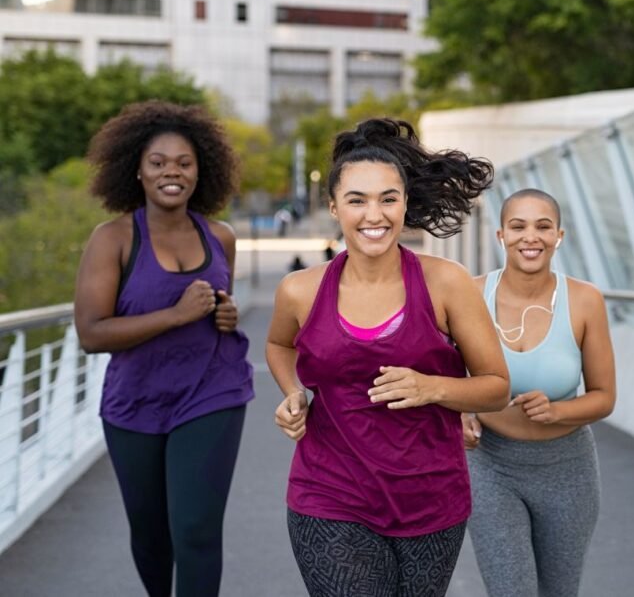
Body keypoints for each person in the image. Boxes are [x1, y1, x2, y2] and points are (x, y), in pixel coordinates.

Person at [266, 118, 510, 597]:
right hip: (329, 493)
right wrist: (293, 393)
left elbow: (496, 386)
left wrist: (432, 387)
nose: (373, 215)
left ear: (404, 204)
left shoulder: (447, 282)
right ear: (334, 206)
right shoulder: (300, 290)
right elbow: (278, 345)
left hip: (430, 498)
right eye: (357, 200)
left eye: (388, 199)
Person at [73, 101, 254, 596]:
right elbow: (90, 333)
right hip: (136, 402)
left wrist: (226, 314)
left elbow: (218, 307)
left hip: (212, 393)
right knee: (152, 537)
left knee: (196, 529)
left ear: (201, 171)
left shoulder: (221, 236)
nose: (171, 171)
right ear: (136, 169)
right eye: (158, 162)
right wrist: (175, 315)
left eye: (184, 162)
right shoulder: (112, 239)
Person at [463, 188, 617, 597]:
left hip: (568, 469)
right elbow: (444, 374)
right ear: (501, 236)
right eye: (518, 226)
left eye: (542, 227)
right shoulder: (470, 294)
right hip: (490, 466)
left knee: (558, 592)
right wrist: (461, 412)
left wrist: (559, 411)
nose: (530, 237)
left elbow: (604, 396)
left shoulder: (585, 301)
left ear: (558, 236)